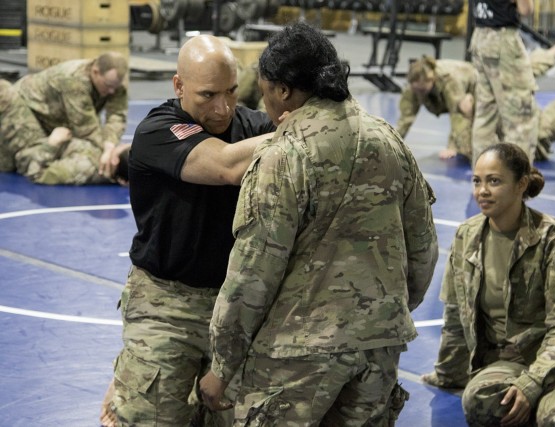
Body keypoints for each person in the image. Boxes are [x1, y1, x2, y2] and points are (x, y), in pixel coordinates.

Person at [198, 22, 439, 425]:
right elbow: (424, 249)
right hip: (378, 349)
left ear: (282, 90)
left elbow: (252, 274)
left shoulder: (284, 154)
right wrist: (386, 314)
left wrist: (222, 365)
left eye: (264, 92)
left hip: (297, 355)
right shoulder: (390, 141)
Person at [104, 34, 276, 427]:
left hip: (234, 307)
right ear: (178, 86)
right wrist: (298, 131)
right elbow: (226, 167)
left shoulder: (250, 125)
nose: (223, 108)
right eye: (208, 95)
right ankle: (133, 369)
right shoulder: (158, 131)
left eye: (232, 91)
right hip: (166, 303)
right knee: (150, 418)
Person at [421, 142, 555, 426]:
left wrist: (533, 382)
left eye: (494, 181)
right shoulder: (467, 236)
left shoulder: (552, 239)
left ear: (521, 184)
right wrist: (449, 373)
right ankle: (551, 408)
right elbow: (455, 314)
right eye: (477, 181)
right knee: (479, 403)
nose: (482, 190)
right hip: (509, 361)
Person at [397, 26, 555, 162]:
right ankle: (554, 53)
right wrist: (394, 144)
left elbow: (458, 114)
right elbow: (406, 118)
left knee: (527, 78)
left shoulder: (453, 81)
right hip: (499, 114)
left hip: (531, 130)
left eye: (423, 89)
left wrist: (454, 145)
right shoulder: (416, 86)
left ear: (431, 78)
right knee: (518, 75)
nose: (420, 94)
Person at [0, 52, 129, 183]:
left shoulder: (115, 82)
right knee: (16, 159)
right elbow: (86, 128)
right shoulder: (74, 80)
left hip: (54, 120)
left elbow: (117, 116)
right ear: (95, 72)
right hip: (27, 109)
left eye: (115, 87)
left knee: (38, 152)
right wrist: (106, 153)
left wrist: (109, 146)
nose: (112, 91)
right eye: (108, 85)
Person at [470, 0, 538, 164]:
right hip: (502, 39)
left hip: (479, 35)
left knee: (485, 113)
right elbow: (525, 9)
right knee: (520, 118)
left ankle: (482, 179)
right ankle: (517, 185)